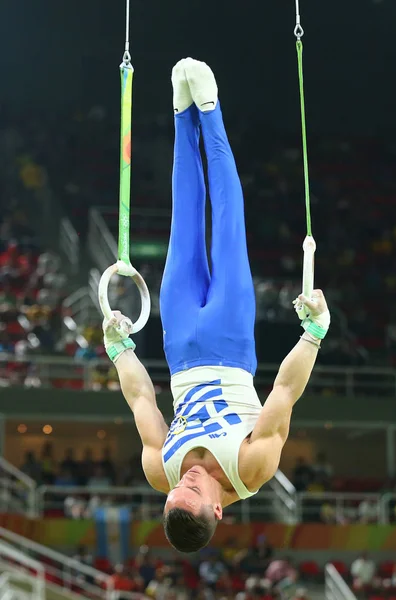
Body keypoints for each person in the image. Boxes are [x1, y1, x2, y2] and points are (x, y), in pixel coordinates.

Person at [102, 58, 331, 553]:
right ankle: (210, 110)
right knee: (228, 220)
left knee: (184, 221)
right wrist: (313, 334)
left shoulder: (160, 470)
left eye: (175, 493)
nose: (184, 483)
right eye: (193, 491)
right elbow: (284, 394)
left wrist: (119, 350)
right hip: (230, 342)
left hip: (181, 345)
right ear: (218, 507)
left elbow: (141, 400)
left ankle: (182, 113)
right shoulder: (251, 468)